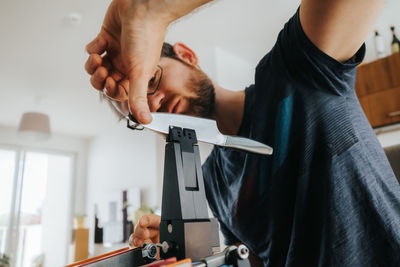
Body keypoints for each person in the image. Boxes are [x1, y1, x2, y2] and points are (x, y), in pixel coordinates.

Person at [85, 0, 400, 266]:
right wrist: (190, 257)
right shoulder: (212, 180)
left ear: (186, 54)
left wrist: (150, 8)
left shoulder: (296, 72)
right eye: (140, 112)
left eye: (150, 80)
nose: (153, 104)